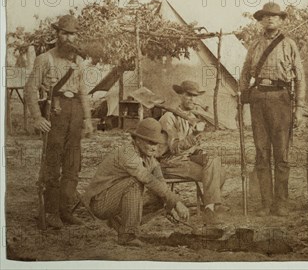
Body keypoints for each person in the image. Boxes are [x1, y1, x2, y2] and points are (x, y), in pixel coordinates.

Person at [24, 14, 94, 229]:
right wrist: (37, 117)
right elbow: (30, 89)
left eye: (73, 34)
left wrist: (88, 119)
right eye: (65, 33)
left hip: (75, 114)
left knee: (73, 162)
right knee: (53, 163)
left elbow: (82, 92)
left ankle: (65, 210)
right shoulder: (45, 59)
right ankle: (51, 211)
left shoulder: (79, 61)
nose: (69, 38)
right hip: (54, 111)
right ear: (57, 34)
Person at [240, 2, 305, 217]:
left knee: (282, 154)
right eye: (266, 16)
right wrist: (243, 99)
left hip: (281, 98)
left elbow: (300, 78)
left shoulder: (289, 44)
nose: (270, 19)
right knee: (261, 152)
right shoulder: (255, 45)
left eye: (274, 16)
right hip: (258, 98)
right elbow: (244, 74)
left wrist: (299, 108)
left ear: (281, 20)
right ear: (261, 20)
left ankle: (282, 203)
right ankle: (266, 203)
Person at [82, 118, 189, 246]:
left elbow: (159, 180)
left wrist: (169, 205)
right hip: (100, 203)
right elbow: (147, 178)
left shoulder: (148, 156)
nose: (154, 147)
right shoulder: (128, 153)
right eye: (150, 142)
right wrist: (176, 201)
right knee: (135, 182)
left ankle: (119, 223)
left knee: (160, 196)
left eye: (156, 143)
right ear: (138, 140)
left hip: (116, 200)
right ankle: (127, 235)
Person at [158, 80, 226, 223]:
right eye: (188, 95)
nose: (192, 99)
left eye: (195, 96)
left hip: (186, 158)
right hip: (170, 163)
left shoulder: (192, 117)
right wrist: (193, 136)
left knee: (216, 162)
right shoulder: (168, 118)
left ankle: (210, 205)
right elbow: (174, 148)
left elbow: (192, 147)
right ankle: (210, 209)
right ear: (180, 95)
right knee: (214, 173)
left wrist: (200, 151)